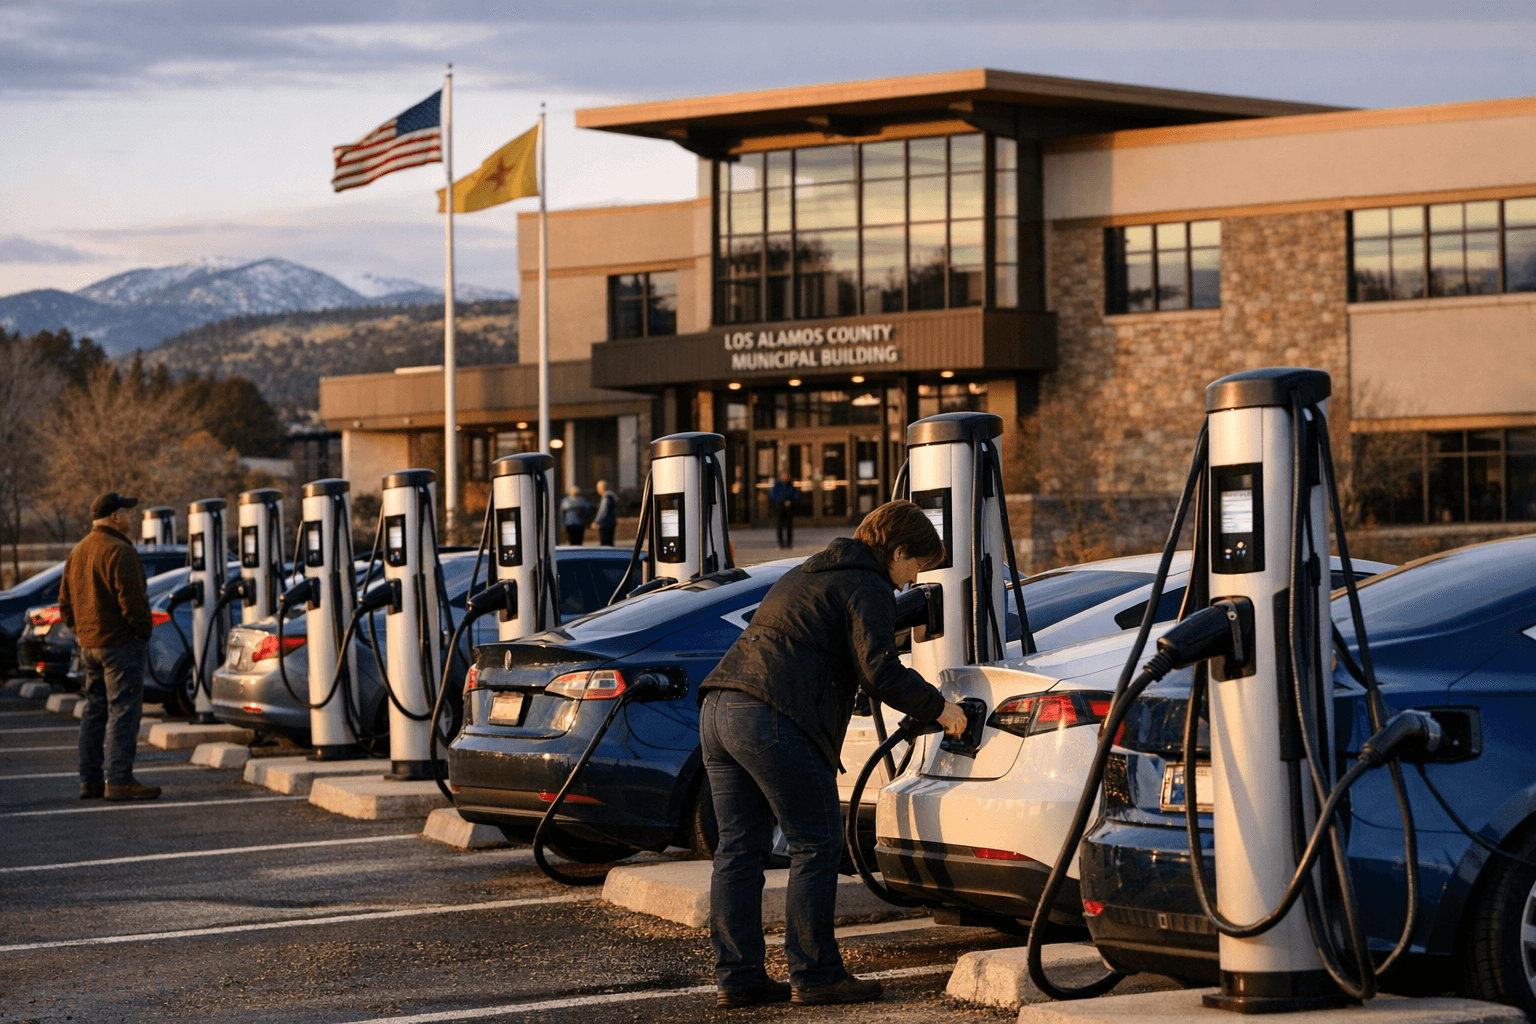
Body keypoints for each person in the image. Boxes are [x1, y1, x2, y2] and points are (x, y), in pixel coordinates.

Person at [698, 500, 968, 1008]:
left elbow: (812, 646)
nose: (911, 583)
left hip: (719, 708)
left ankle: (739, 978)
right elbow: (881, 672)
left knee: (738, 850)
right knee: (817, 844)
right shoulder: (868, 584)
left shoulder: (812, 569)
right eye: (914, 568)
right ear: (899, 550)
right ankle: (816, 973)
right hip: (772, 717)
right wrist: (941, 709)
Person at [58, 492, 160, 802]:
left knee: (94, 712)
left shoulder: (78, 552)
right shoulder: (120, 551)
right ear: (115, 518)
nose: (131, 517)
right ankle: (118, 780)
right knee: (124, 711)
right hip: (120, 645)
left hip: (90, 646)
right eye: (127, 512)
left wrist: (84, 632)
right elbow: (133, 603)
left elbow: (65, 606)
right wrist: (143, 632)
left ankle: (89, 781)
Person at [768, 472, 796, 549]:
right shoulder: (777, 485)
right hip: (779, 507)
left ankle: (789, 544)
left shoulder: (790, 485)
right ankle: (781, 544)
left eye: (787, 475)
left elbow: (795, 494)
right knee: (779, 526)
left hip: (789, 507)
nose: (785, 477)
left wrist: (790, 501)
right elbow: (773, 495)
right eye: (784, 475)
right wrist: (782, 501)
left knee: (789, 526)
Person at [593, 479, 618, 547]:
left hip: (605, 524)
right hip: (611, 522)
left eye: (598, 488)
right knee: (609, 542)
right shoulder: (612, 496)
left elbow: (603, 511)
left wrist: (596, 521)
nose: (597, 490)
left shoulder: (606, 497)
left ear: (602, 488)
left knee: (606, 544)